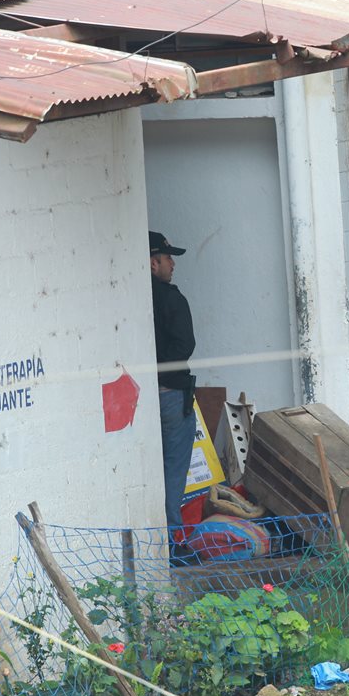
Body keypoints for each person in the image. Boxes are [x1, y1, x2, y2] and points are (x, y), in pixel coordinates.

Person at [150, 231, 198, 566]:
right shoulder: (170, 298)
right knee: (173, 469)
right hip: (170, 396)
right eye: (167, 258)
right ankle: (171, 543)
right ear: (153, 262)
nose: (173, 263)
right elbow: (184, 347)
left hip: (141, 398)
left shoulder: (130, 298)